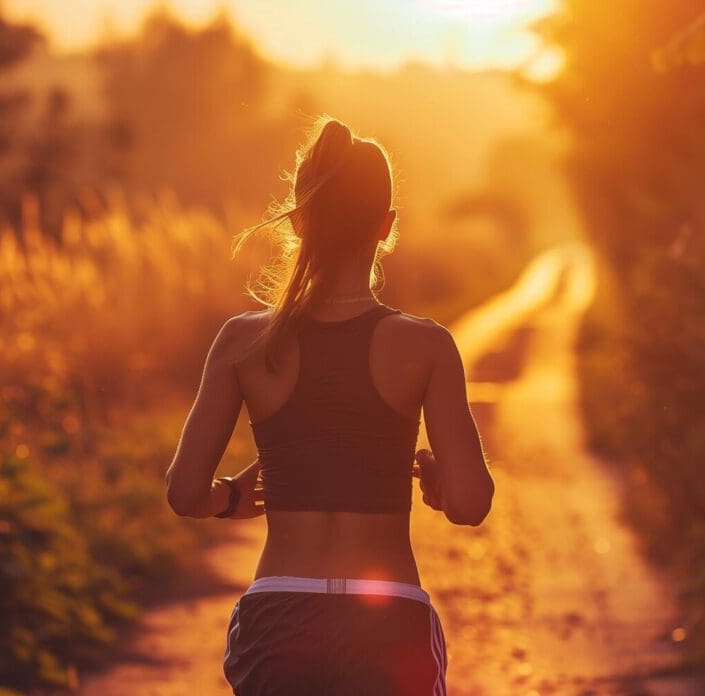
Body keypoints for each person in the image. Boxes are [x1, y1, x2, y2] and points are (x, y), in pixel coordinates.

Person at [165, 116, 495, 696]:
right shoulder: (426, 346)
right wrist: (442, 484)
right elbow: (471, 504)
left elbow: (185, 492)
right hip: (387, 619)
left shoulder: (243, 341)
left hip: (277, 617)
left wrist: (231, 498)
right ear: (386, 226)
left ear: (297, 222)